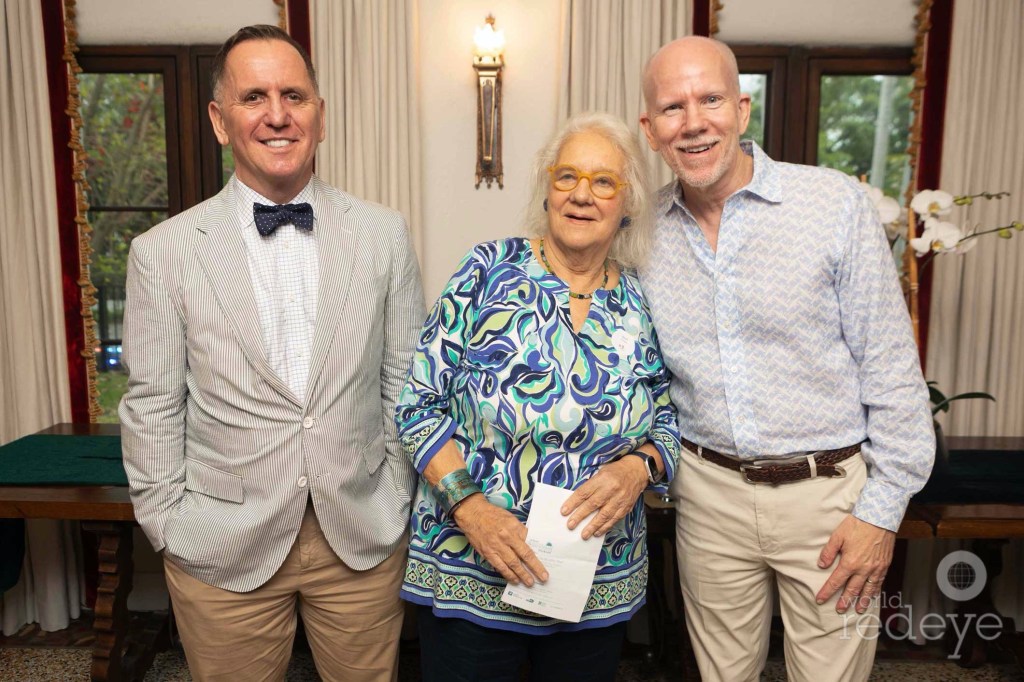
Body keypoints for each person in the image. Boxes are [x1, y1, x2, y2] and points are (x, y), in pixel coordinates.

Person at [119, 25, 425, 681]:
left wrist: (396, 496)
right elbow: (151, 404)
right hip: (221, 542)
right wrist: (168, 523)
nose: (278, 114)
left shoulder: (384, 234)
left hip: (362, 535)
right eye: (254, 96)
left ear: (320, 114)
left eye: (294, 95)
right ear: (220, 121)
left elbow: (407, 383)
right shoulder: (163, 253)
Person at [637, 36, 935, 682]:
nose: (693, 122)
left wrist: (879, 515)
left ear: (742, 110)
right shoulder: (640, 232)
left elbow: (893, 374)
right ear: (650, 128)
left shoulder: (833, 206)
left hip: (829, 499)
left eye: (710, 99)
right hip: (707, 497)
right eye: (672, 107)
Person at [394, 111, 680, 682]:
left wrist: (639, 468)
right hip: (473, 564)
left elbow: (669, 414)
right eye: (566, 175)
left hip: (595, 579)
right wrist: (471, 510)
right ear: (547, 189)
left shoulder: (642, 299)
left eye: (604, 181)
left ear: (629, 204)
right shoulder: (487, 271)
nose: (581, 194)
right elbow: (417, 404)